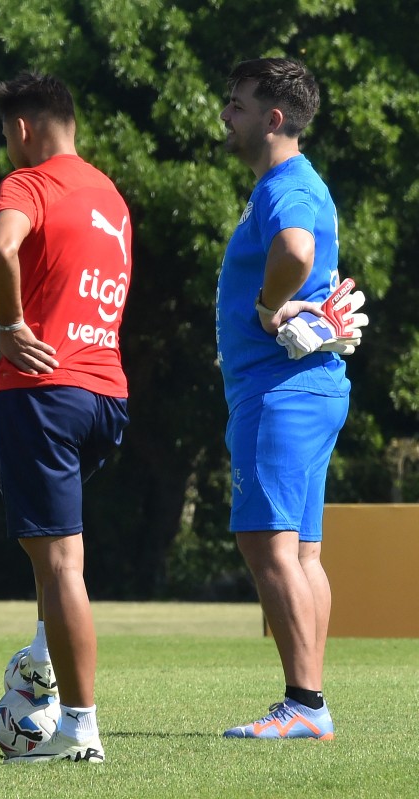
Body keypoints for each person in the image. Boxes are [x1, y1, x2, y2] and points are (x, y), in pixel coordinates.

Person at [0, 71, 132, 764]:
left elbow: (1, 248)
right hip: (108, 397)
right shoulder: (111, 196)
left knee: (60, 562)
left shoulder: (28, 185)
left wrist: (10, 322)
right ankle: (43, 654)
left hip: (45, 391)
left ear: (22, 129)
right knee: (52, 550)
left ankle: (78, 728)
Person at [217, 57, 358, 740]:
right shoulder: (288, 183)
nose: (226, 112)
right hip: (306, 390)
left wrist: (271, 305)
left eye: (238, 103)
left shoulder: (285, 187)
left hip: (281, 392)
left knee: (267, 544)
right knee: (301, 552)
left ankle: (304, 702)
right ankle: (309, 703)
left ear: (274, 120)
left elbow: (297, 251)